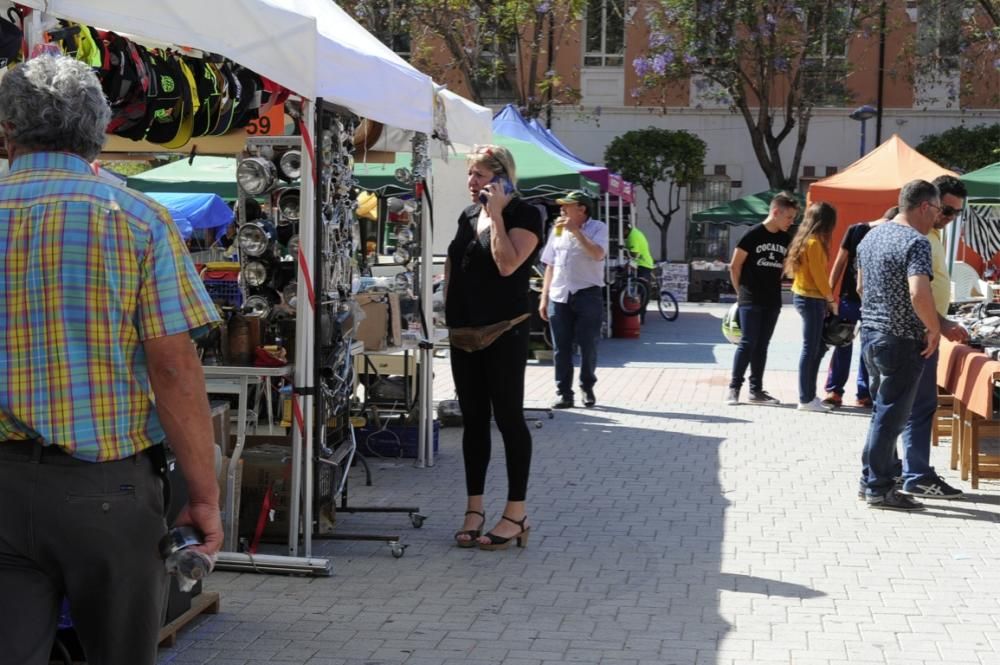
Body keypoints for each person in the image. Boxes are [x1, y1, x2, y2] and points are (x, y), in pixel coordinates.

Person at [0, 55, 223, 664]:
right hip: (108, 490)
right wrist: (202, 497)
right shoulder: (139, 220)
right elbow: (174, 371)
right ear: (99, 130)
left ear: (8, 131)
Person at [445, 145, 542, 550]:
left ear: (502, 178)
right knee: (473, 420)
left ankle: (516, 514)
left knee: (507, 418)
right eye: (470, 174)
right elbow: (453, 265)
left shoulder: (525, 213)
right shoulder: (468, 215)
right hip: (464, 332)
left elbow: (507, 264)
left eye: (480, 176)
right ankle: (474, 508)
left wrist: (498, 214)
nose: (472, 183)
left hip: (505, 331)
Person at [856, 179, 942, 511]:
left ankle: (872, 481)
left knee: (881, 413)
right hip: (901, 339)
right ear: (924, 206)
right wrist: (933, 328)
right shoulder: (916, 242)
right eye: (936, 210)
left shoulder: (871, 236)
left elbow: (861, 286)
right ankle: (879, 487)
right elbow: (918, 292)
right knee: (891, 417)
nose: (937, 218)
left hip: (872, 336)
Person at [897, 175, 969, 499]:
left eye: (956, 213)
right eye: (948, 211)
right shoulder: (915, 235)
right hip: (918, 333)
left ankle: (899, 472)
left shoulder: (933, 235)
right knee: (917, 407)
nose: (951, 217)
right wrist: (936, 323)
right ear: (932, 204)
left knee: (908, 407)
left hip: (926, 331)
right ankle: (915, 474)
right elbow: (915, 291)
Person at [726, 192, 798, 405]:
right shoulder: (753, 234)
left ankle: (756, 390)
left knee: (762, 345)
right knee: (747, 342)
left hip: (772, 299)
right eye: (789, 217)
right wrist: (740, 293)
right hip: (750, 297)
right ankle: (734, 388)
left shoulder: (785, 239)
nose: (791, 222)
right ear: (776, 212)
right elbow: (734, 265)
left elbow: (786, 267)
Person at [539, 190, 608, 409]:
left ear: (582, 209)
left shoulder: (599, 228)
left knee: (589, 345)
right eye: (561, 206)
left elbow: (598, 254)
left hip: (588, 293)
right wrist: (544, 297)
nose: (561, 209)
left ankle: (587, 386)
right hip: (560, 294)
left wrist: (576, 232)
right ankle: (564, 393)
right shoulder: (557, 229)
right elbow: (550, 264)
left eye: (567, 205)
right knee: (561, 347)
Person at [822, 207, 897, 408]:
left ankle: (864, 393)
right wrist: (828, 297)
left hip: (876, 302)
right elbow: (839, 263)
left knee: (868, 348)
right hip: (851, 298)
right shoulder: (856, 230)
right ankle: (835, 390)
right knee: (842, 343)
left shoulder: (890, 235)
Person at [785, 202, 839, 412]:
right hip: (812, 299)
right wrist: (831, 300)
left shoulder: (804, 240)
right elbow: (819, 276)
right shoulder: (815, 243)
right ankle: (806, 398)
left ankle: (808, 396)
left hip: (804, 297)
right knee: (812, 349)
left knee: (814, 348)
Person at [623, 220, 655, 323]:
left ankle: (642, 316)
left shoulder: (633, 236)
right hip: (642, 264)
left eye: (622, 231)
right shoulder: (634, 232)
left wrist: (623, 251)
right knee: (642, 290)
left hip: (643, 265)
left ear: (626, 230)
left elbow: (635, 254)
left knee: (643, 291)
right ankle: (640, 314)